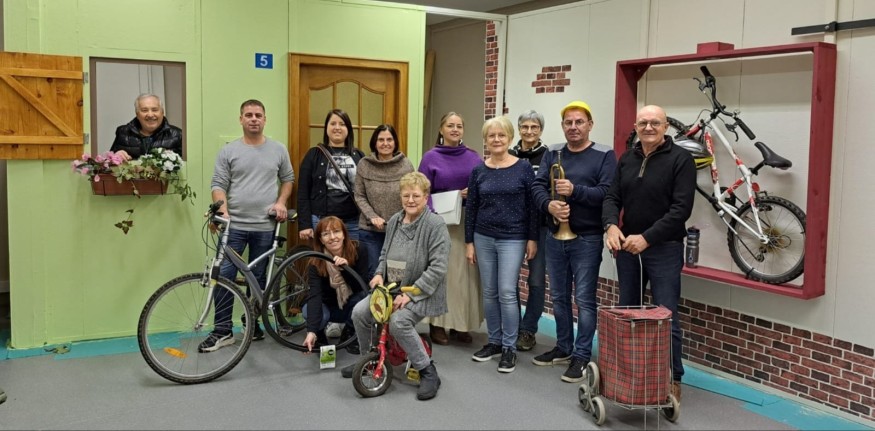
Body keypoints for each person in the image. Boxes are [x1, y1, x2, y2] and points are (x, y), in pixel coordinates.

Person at [602, 104, 696, 403]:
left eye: (655, 122)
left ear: (666, 126)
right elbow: (612, 197)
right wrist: (610, 226)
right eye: (643, 123)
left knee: (666, 316)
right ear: (636, 126)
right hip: (628, 248)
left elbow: (681, 210)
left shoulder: (681, 160)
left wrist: (647, 238)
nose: (649, 128)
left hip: (664, 248)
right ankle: (628, 376)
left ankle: (672, 378)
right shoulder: (627, 158)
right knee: (627, 312)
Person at [342, 172, 450, 401]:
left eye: (416, 196)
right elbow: (384, 254)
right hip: (390, 289)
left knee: (398, 322)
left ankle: (427, 370)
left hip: (421, 292)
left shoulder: (435, 225)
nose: (410, 200)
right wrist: (378, 274)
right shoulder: (394, 221)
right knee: (359, 313)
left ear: (426, 197)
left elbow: (438, 268)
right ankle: (369, 360)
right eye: (406, 195)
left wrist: (411, 295)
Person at [200, 99, 295, 352]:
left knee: (258, 279)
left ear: (265, 119)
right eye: (249, 115)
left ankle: (252, 324)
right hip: (234, 227)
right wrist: (222, 210)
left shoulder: (278, 149)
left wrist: (281, 202)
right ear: (241, 119)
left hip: (265, 226)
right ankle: (222, 331)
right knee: (224, 277)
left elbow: (288, 179)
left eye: (258, 115)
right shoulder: (229, 151)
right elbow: (218, 184)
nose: (254, 119)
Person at [530, 101, 616, 382]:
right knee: (558, 296)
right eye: (568, 122)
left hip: (587, 238)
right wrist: (549, 205)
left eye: (579, 122)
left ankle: (581, 355)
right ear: (563, 126)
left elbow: (607, 193)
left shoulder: (604, 154)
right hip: (555, 236)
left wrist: (575, 190)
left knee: (584, 299)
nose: (574, 127)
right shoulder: (553, 152)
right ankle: (564, 347)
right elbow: (538, 186)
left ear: (590, 124)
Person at [466, 116, 538, 373]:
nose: (496, 139)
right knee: (489, 291)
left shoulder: (523, 168)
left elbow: (532, 207)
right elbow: (471, 208)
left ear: (510, 138)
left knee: (507, 291)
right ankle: (494, 341)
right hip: (483, 237)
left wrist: (532, 238)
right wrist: (469, 242)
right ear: (485, 140)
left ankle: (510, 347)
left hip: (513, 238)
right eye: (491, 136)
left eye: (501, 135)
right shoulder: (478, 171)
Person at [417, 111, 483, 345]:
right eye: (450, 126)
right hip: (439, 223)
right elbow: (421, 192)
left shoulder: (474, 157)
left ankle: (460, 324)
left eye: (459, 126)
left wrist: (473, 192)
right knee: (442, 274)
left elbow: (484, 185)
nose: (455, 130)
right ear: (441, 129)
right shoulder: (430, 158)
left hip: (466, 223)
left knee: (465, 276)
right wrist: (453, 198)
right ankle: (437, 324)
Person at [509, 110, 549, 352]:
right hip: (513, 226)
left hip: (541, 227)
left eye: (534, 127)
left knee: (536, 279)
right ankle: (513, 325)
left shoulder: (549, 156)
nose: (529, 131)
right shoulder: (510, 155)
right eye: (525, 127)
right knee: (510, 279)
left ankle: (528, 329)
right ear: (519, 129)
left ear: (541, 130)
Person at [354, 124, 415, 280]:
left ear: (395, 142)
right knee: (373, 275)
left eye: (389, 139)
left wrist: (404, 220)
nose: (385, 143)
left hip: (399, 231)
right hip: (370, 231)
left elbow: (411, 195)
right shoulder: (364, 164)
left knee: (397, 277)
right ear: (375, 143)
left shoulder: (406, 165)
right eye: (381, 140)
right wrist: (372, 216)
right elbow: (359, 195)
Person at [301, 216, 369, 355]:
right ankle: (319, 336)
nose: (332, 237)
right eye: (326, 234)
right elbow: (315, 295)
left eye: (337, 231)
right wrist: (311, 331)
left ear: (344, 234)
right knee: (308, 309)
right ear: (321, 240)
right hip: (328, 307)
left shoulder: (359, 250)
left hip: (349, 306)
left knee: (364, 298)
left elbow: (362, 287)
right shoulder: (316, 261)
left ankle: (349, 331)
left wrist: (345, 269)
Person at [298, 109, 365, 242]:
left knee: (352, 255)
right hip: (321, 221)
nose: (337, 128)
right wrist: (305, 224)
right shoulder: (313, 155)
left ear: (348, 129)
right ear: (326, 128)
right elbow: (303, 192)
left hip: (353, 223)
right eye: (333, 123)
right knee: (323, 256)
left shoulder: (359, 155)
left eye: (342, 124)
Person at [110, 93, 182, 161]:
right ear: (137, 114)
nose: (150, 115)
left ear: (162, 112)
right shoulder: (123, 132)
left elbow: (186, 165)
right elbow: (108, 163)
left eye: (155, 110)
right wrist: (116, 156)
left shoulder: (177, 134)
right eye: (144, 110)